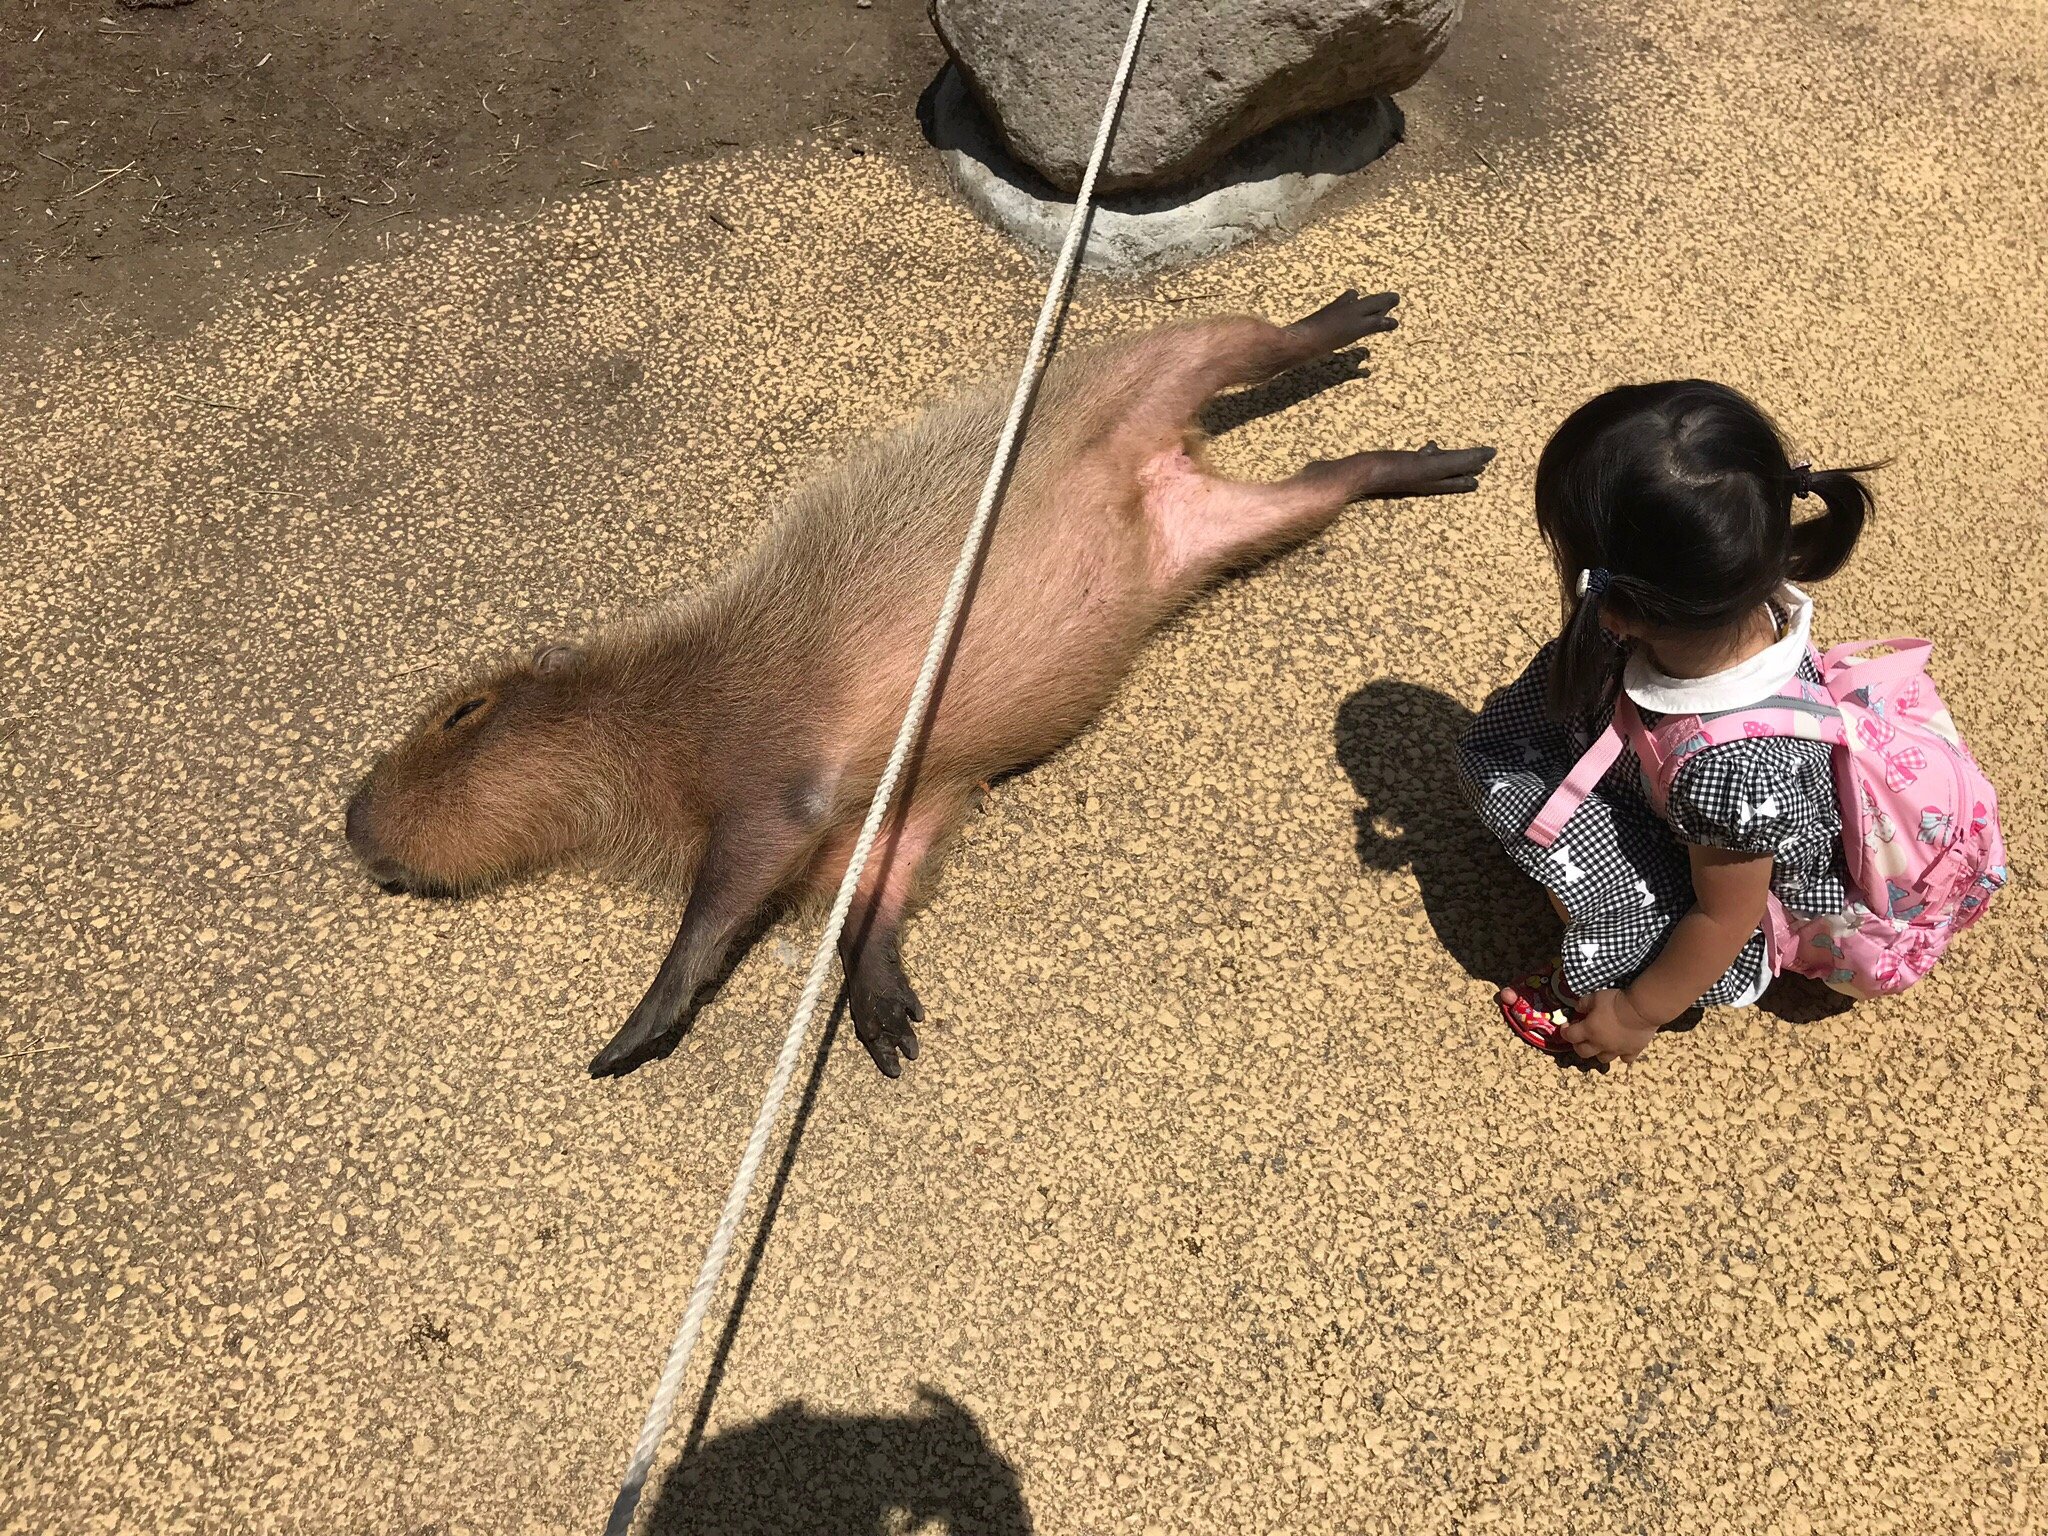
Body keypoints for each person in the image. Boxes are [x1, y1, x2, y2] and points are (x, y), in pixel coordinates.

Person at [1458, 380, 1876, 1064]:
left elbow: (1724, 915)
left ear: (1619, 612)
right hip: (1669, 779)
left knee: (1545, 814)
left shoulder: (1733, 772)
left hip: (1726, 884)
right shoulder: (1727, 598)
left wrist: (1636, 1011)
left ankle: (1616, 955)